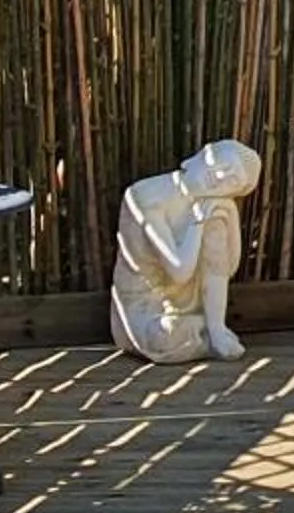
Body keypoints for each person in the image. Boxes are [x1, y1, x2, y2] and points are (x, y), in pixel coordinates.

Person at [108, 141, 263, 363]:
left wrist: (228, 217)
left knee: (216, 222)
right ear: (199, 158)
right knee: (164, 337)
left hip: (188, 304)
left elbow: (227, 267)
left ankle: (212, 328)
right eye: (223, 165)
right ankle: (201, 331)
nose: (220, 177)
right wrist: (197, 223)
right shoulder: (144, 195)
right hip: (144, 305)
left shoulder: (212, 205)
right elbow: (180, 271)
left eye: (232, 181)